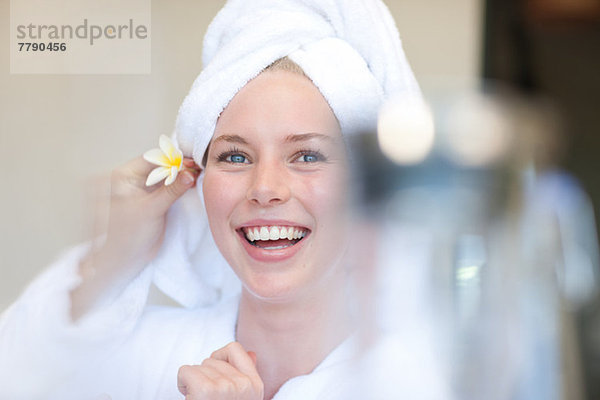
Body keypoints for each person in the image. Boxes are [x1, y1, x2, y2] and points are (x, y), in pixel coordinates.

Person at [0, 1, 427, 399]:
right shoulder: (144, 358)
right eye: (235, 156)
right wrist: (115, 255)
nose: (265, 187)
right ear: (196, 178)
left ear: (368, 183)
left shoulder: (418, 382)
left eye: (308, 155)